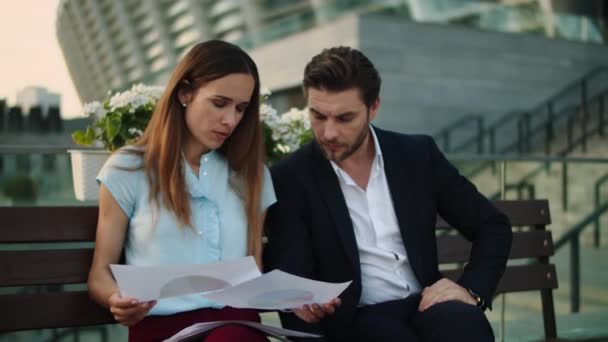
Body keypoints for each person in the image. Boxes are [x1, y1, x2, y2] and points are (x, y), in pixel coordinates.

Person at [263, 46, 512, 341]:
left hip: (426, 303)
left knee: (465, 325)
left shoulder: (418, 155)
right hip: (355, 319)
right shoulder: (289, 177)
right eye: (318, 115)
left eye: (344, 118)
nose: (328, 132)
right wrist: (302, 300)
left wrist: (471, 289)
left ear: (374, 107)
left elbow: (492, 226)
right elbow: (292, 272)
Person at [88, 40, 276, 342]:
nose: (230, 120)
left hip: (237, 326)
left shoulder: (252, 174)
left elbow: (254, 270)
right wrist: (117, 299)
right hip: (162, 329)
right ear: (184, 93)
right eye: (219, 103)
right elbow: (99, 275)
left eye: (240, 109)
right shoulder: (128, 169)